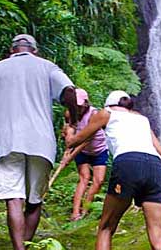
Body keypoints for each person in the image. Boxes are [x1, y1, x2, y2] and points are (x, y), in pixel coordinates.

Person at [0, 34, 78, 250]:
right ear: (34, 51)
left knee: (13, 199)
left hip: (6, 141)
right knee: (35, 200)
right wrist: (73, 122)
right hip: (41, 141)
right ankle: (25, 247)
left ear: (12, 50)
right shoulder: (48, 67)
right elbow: (69, 92)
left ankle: (19, 249)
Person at [65, 90, 161, 250]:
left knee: (106, 228)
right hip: (154, 168)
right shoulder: (142, 121)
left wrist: (69, 128)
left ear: (109, 105)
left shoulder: (106, 113)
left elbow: (73, 142)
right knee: (159, 240)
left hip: (128, 163)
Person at [65, 88, 109, 221]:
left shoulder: (95, 115)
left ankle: (85, 210)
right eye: (74, 105)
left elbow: (86, 140)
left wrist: (70, 156)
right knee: (84, 178)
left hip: (98, 149)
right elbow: (70, 136)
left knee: (98, 180)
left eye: (79, 105)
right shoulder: (70, 114)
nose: (77, 109)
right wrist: (67, 152)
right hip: (82, 151)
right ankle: (75, 212)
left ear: (85, 103)